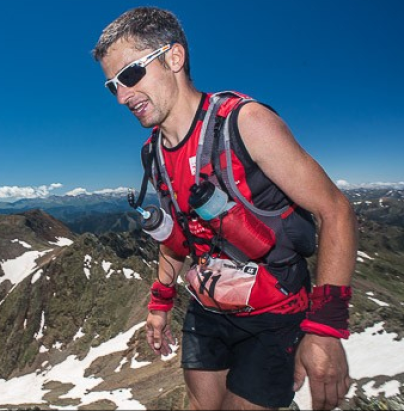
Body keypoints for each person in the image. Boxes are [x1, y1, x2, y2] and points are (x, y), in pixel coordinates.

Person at [92, 6, 358, 411]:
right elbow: (176, 239)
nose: (123, 96)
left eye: (130, 75)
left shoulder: (244, 122)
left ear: (174, 58)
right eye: (113, 87)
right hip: (207, 307)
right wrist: (160, 307)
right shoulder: (154, 154)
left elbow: (334, 210)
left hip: (273, 313)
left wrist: (325, 330)